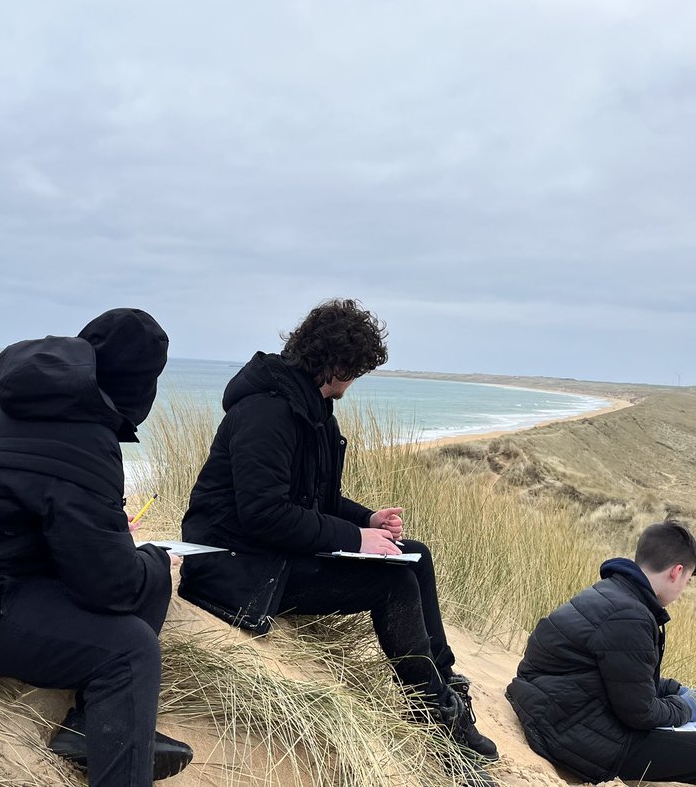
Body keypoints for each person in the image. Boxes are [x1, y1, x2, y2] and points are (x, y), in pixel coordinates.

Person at [178, 299, 498, 776]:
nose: (354, 381)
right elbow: (265, 515)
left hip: (274, 551)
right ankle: (434, 718)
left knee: (415, 555)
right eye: (356, 370)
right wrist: (354, 537)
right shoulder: (266, 413)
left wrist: (367, 521)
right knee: (391, 583)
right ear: (337, 365)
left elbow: (317, 499)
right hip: (236, 564)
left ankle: (445, 682)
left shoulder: (314, 409)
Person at [0, 309, 192, 786]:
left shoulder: (14, 399)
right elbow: (112, 588)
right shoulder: (85, 434)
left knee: (144, 581)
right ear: (140, 382)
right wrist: (157, 560)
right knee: (132, 648)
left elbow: (36, 506)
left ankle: (90, 727)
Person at [507, 521, 696, 787]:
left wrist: (679, 691)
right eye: (688, 581)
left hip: (571, 713)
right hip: (583, 739)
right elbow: (640, 713)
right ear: (677, 572)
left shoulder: (616, 594)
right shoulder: (629, 616)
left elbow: (626, 679)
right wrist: (689, 708)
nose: (684, 590)